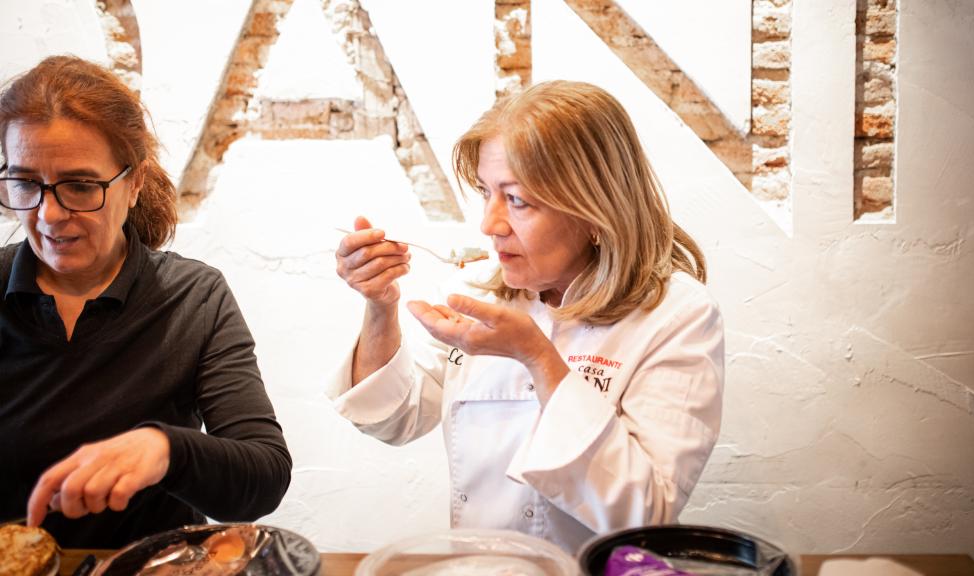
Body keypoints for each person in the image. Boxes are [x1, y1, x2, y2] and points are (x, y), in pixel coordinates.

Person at [328, 80, 724, 552]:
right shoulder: (474, 291)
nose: (489, 225)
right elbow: (393, 419)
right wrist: (380, 305)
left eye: (516, 199)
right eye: (486, 192)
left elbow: (647, 511)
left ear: (595, 212)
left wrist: (537, 357)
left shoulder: (678, 316)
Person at [0, 55, 291, 548]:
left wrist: (168, 449)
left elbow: (264, 478)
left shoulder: (192, 298)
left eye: (80, 186)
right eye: (26, 183)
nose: (48, 215)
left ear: (133, 183)